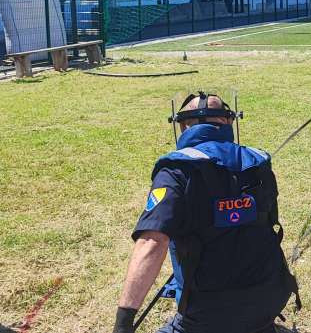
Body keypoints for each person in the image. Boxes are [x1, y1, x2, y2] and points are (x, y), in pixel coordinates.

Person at [113, 92, 299, 333]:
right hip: (270, 297)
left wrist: (123, 323)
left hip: (206, 315)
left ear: (182, 126)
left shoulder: (176, 170)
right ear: (229, 122)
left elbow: (152, 242)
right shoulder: (260, 161)